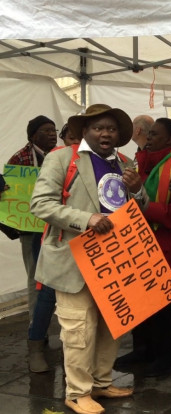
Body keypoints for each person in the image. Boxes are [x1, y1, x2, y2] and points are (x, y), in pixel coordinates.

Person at [30, 104, 148, 414]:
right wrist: (86, 219)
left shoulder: (124, 162)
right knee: (78, 328)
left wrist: (138, 190)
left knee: (113, 324)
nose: (106, 133)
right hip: (74, 260)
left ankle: (100, 382)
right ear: (84, 131)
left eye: (111, 129)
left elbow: (139, 207)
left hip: (117, 260)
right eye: (98, 128)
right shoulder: (62, 159)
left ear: (120, 135)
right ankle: (77, 392)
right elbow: (41, 205)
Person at [114, 118, 171, 377]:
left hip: (170, 247)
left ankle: (167, 355)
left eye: (154, 134)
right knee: (139, 300)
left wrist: (145, 206)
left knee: (165, 306)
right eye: (148, 134)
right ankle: (143, 349)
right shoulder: (138, 164)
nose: (148, 138)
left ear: (170, 140)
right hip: (138, 244)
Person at [7, 115, 58, 373]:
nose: (53, 134)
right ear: (33, 135)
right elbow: (10, 192)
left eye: (55, 130)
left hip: (57, 225)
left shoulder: (61, 155)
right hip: (31, 227)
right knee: (35, 277)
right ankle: (35, 325)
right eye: (47, 130)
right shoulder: (19, 160)